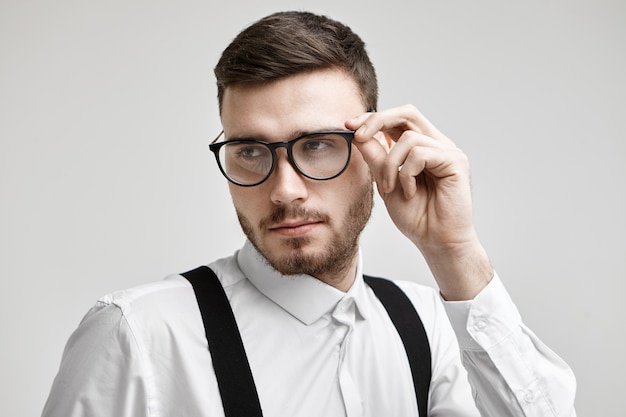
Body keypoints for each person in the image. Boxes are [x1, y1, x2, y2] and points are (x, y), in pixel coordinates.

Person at [42, 10, 577, 417]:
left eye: (318, 144)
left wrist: (455, 253)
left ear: (377, 148)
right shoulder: (139, 334)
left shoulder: (434, 325)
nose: (285, 190)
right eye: (251, 151)